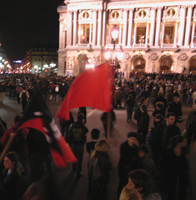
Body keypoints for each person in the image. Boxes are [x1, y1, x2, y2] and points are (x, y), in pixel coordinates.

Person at [164, 135, 188, 200]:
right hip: (172, 172)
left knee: (182, 187)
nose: (185, 143)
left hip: (181, 172)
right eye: (183, 141)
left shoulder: (184, 150)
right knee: (172, 187)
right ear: (179, 143)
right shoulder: (170, 151)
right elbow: (166, 163)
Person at [117, 132, 138, 198]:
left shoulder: (135, 147)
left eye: (134, 139)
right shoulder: (123, 146)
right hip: (123, 168)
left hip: (131, 169)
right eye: (131, 139)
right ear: (128, 138)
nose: (132, 141)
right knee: (122, 183)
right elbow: (124, 157)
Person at [68, 114, 88, 178]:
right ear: (82, 119)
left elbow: (70, 134)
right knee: (80, 159)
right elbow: (87, 130)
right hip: (80, 144)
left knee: (74, 157)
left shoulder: (73, 125)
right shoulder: (82, 126)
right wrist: (82, 124)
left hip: (74, 144)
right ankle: (78, 173)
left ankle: (74, 168)